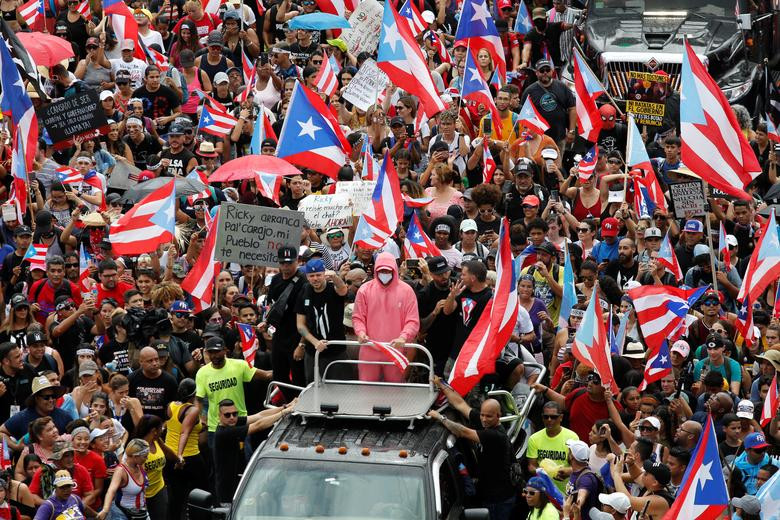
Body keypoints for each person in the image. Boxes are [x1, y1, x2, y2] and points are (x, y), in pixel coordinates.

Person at [427, 377, 515, 519]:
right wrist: (442, 384)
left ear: (499, 416)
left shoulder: (496, 435)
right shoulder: (484, 422)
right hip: (488, 495)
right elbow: (460, 404)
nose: (484, 419)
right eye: (482, 415)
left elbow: (462, 431)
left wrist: (440, 417)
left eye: (489, 416)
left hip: (499, 500)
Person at [352, 252, 420, 382]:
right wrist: (360, 332)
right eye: (381, 270)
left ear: (394, 270)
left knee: (395, 390)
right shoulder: (365, 290)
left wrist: (404, 337)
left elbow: (412, 321)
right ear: (375, 270)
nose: (384, 273)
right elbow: (358, 317)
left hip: (395, 349)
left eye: (387, 271)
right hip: (369, 347)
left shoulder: (406, 291)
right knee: (366, 388)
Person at [213, 398, 294, 503]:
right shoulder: (224, 433)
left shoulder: (232, 422)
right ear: (219, 416)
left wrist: (285, 407)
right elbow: (258, 425)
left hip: (235, 485)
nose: (232, 417)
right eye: (227, 415)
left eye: (235, 414)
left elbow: (259, 416)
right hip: (226, 493)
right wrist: (285, 412)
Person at [295, 259, 350, 383]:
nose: (315, 279)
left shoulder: (333, 287)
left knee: (339, 389)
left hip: (336, 351)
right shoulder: (304, 291)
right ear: (307, 277)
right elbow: (300, 325)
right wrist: (315, 342)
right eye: (312, 276)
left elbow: (343, 290)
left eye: (319, 275)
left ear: (324, 274)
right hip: (313, 353)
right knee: (313, 388)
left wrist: (335, 277)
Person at [527, 401, 579, 491]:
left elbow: (578, 467)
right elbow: (531, 466)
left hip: (565, 490)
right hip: (543, 490)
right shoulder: (534, 438)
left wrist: (567, 471)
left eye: (554, 417)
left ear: (561, 417)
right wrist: (545, 472)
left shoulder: (572, 437)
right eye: (546, 417)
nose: (549, 420)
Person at [33, 470, 98, 520]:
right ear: (55, 487)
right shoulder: (48, 506)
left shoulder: (75, 499)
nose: (66, 490)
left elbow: (86, 509)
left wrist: (99, 516)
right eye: (62, 487)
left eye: (68, 486)